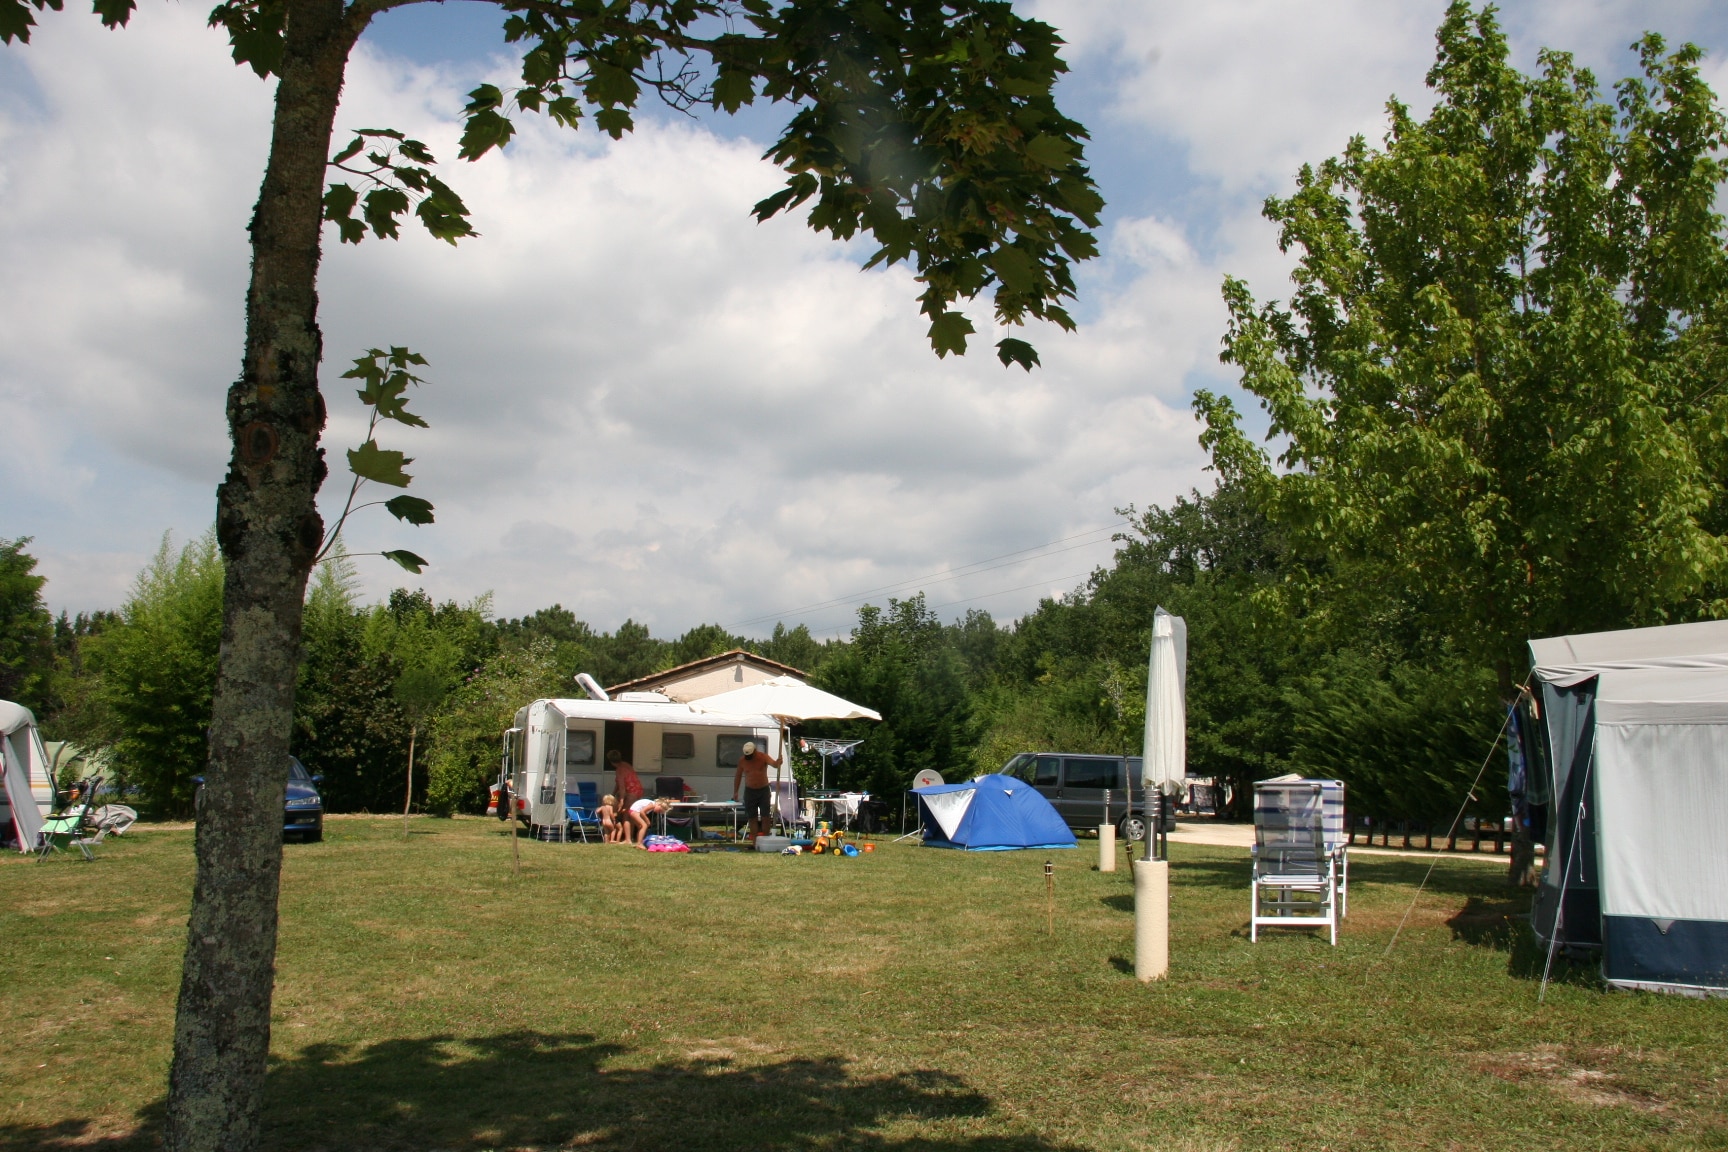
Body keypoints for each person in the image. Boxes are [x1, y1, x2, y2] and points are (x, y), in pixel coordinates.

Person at [732, 739, 782, 842]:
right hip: (750, 792)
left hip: (763, 791)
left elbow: (774, 764)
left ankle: (766, 839)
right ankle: (754, 842)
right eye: (747, 756)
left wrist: (778, 762)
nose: (748, 758)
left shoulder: (763, 757)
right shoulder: (742, 761)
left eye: (750, 755)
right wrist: (735, 791)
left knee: (765, 817)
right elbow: (738, 776)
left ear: (755, 751)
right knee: (752, 818)